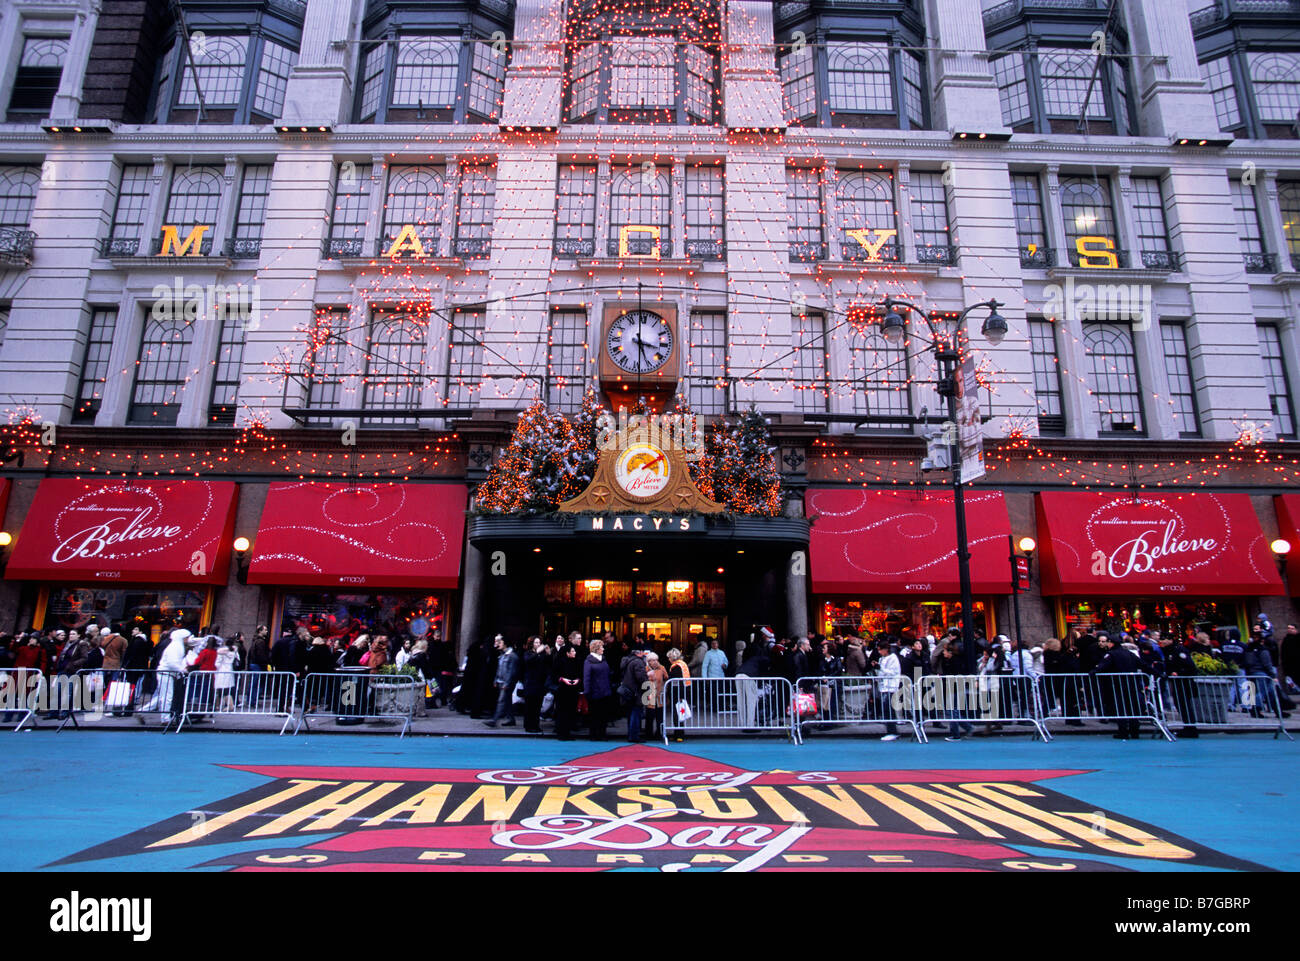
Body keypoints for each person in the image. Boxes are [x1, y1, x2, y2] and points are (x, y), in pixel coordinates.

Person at [1093, 634, 1145, 739]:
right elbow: (1143, 665)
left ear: (1111, 643)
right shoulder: (1129, 653)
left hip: (1119, 685)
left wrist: (1093, 672)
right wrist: (1157, 673)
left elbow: (1102, 667)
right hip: (1132, 684)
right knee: (1132, 708)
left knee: (1121, 708)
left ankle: (1123, 731)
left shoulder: (1111, 654)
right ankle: (1134, 731)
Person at [872, 639, 903, 740]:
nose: (879, 652)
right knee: (886, 709)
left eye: (880, 650)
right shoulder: (882, 659)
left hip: (891, 686)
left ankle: (892, 731)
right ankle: (891, 730)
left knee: (888, 709)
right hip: (883, 686)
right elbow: (881, 672)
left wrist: (880, 668)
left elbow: (892, 672)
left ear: (886, 649)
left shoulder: (893, 658)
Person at [551, 642, 583, 740]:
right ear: (567, 653)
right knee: (562, 712)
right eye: (572, 651)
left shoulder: (576, 662)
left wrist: (577, 680)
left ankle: (567, 733)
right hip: (563, 691)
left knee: (571, 711)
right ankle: (561, 733)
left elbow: (580, 675)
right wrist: (563, 679)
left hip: (573, 690)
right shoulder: (560, 662)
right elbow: (554, 675)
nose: (574, 653)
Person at [485, 635, 518, 728]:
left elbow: (512, 671)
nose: (498, 644)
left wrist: (507, 683)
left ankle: (494, 720)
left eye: (500, 642)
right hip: (501, 681)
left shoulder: (512, 656)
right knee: (507, 701)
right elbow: (499, 669)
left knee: (501, 700)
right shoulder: (502, 654)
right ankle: (511, 719)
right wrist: (496, 679)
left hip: (506, 682)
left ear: (505, 643)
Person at [583, 638, 613, 740]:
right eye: (601, 647)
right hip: (594, 692)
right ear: (596, 649)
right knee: (594, 714)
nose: (603, 649)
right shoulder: (588, 661)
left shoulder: (603, 659)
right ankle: (594, 734)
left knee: (603, 715)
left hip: (605, 691)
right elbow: (586, 678)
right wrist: (587, 692)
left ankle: (602, 734)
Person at [521, 637, 552, 733]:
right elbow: (528, 661)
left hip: (539, 683)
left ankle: (536, 725)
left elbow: (548, 665)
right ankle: (529, 725)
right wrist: (537, 652)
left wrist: (548, 654)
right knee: (530, 705)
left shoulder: (542, 654)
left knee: (537, 706)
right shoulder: (528, 653)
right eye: (536, 642)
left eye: (539, 642)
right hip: (530, 683)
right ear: (532, 644)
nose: (538, 644)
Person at [619, 645, 649, 742]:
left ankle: (631, 734)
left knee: (630, 713)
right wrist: (648, 688)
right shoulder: (638, 662)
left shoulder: (627, 660)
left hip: (628, 690)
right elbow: (641, 678)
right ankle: (634, 736)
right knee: (636, 714)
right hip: (636, 692)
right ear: (639, 652)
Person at [666, 647, 690, 742]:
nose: (668, 659)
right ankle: (678, 733)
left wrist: (679, 695)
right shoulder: (683, 664)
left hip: (677, 693)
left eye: (669, 657)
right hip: (684, 691)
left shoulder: (676, 667)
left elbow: (676, 682)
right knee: (680, 713)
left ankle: (679, 734)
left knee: (677, 714)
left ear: (672, 658)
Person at [644, 652, 669, 738]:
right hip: (649, 694)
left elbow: (666, 677)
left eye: (656, 660)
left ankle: (659, 733)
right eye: (653, 660)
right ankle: (648, 734)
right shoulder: (645, 669)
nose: (655, 662)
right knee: (649, 715)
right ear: (649, 661)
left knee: (660, 715)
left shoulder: (662, 668)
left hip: (659, 694)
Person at [214, 636, 239, 712]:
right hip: (230, 670)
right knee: (226, 689)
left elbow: (217, 663)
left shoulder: (221, 652)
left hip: (222, 670)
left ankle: (229, 705)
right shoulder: (234, 651)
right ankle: (217, 705)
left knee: (221, 689)